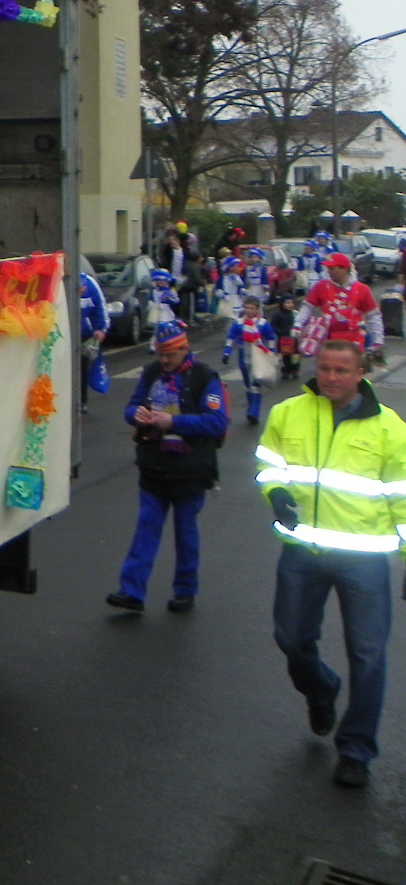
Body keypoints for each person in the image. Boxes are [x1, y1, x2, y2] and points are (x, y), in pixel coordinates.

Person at [257, 339, 406, 788]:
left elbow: (403, 499)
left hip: (364, 559)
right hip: (303, 551)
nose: (331, 377)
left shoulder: (390, 429)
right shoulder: (288, 413)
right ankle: (321, 688)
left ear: (361, 373)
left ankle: (356, 750)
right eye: (325, 368)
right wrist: (276, 492)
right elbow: (269, 461)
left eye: (342, 370)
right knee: (291, 637)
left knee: (368, 656)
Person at [105, 319, 229, 614]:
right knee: (145, 531)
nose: (164, 360)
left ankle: (185, 591)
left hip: (191, 470)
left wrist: (173, 422)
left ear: (185, 349)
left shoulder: (205, 378)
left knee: (186, 536)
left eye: (170, 355)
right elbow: (131, 406)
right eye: (160, 354)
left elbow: (216, 422)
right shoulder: (151, 373)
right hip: (155, 467)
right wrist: (138, 415)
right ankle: (131, 591)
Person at [295, 252, 383, 368]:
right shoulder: (321, 286)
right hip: (328, 342)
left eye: (332, 268)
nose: (329, 271)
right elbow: (307, 307)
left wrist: (378, 340)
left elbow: (373, 316)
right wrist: (298, 324)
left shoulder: (362, 289)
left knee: (349, 372)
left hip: (353, 343)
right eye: (328, 269)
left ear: (344, 269)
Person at [222, 295, 277, 427]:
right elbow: (231, 338)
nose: (248, 310)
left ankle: (254, 411)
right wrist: (227, 352)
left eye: (251, 308)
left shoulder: (262, 324)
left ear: (257, 309)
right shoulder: (239, 323)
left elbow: (271, 338)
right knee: (247, 384)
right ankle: (251, 406)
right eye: (246, 307)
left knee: (255, 383)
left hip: (257, 355)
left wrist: (271, 352)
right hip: (243, 355)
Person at [79, 266, 112, 396]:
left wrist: (101, 329)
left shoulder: (90, 283)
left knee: (81, 369)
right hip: (64, 335)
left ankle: (81, 401)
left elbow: (100, 306)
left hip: (85, 335)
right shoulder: (60, 281)